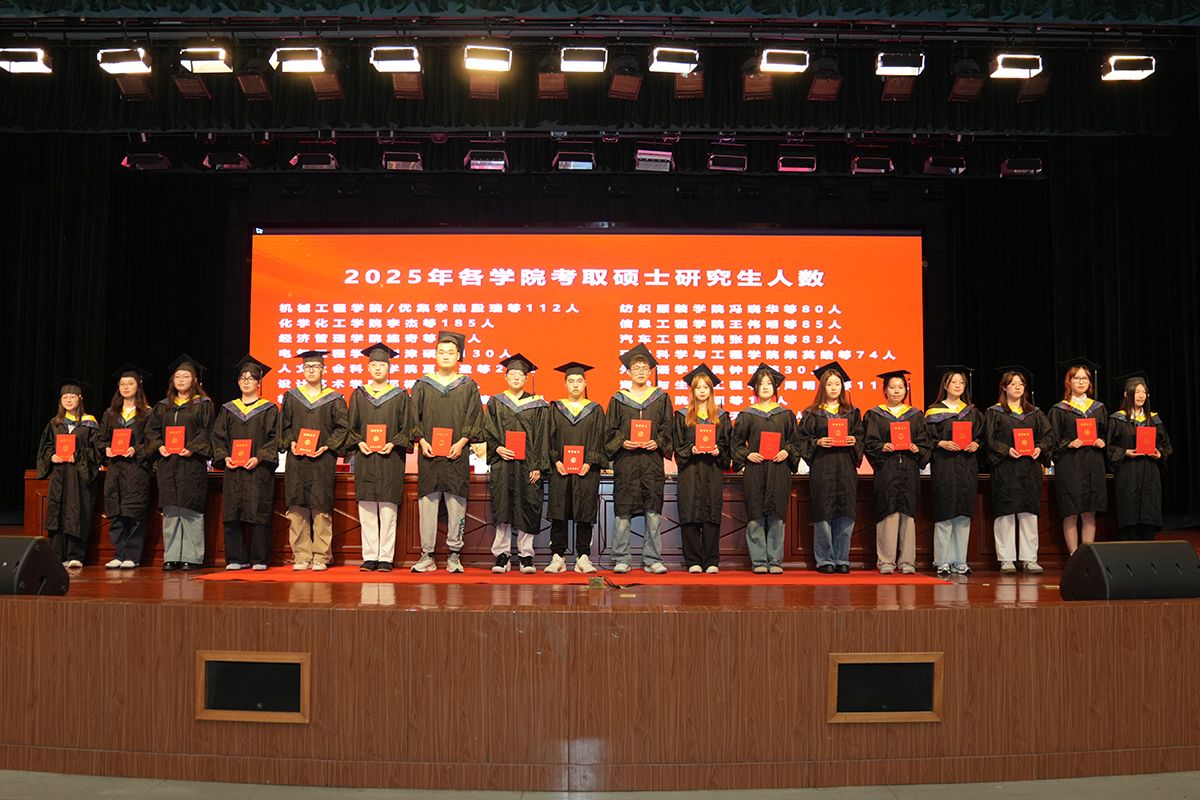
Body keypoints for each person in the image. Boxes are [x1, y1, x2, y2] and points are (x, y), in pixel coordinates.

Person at [407, 330, 484, 573]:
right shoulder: (423, 384)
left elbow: (474, 417)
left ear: (458, 355)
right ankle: (427, 555)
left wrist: (462, 442)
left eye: (450, 352)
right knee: (427, 504)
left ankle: (454, 555)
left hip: (456, 455)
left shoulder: (468, 386)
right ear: (436, 355)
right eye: (441, 352)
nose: (446, 356)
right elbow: (413, 417)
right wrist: (421, 440)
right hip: (429, 456)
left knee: (456, 504)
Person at [604, 344, 674, 574]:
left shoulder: (661, 398)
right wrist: (622, 442)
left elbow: (668, 428)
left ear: (650, 371)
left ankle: (652, 559)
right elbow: (609, 431)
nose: (641, 371)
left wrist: (659, 442)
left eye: (645, 367)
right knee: (623, 512)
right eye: (636, 367)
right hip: (626, 462)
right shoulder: (618, 399)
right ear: (629, 371)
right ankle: (621, 558)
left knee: (653, 513)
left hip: (651, 463)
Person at [280, 350, 349, 572]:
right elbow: (284, 426)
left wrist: (327, 446)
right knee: (297, 507)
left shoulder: (334, 398)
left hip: (322, 460)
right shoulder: (292, 397)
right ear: (302, 370)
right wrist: (291, 442)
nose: (311, 370)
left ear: (323, 370)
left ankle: (321, 556)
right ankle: (301, 555)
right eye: (307, 367)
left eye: (315, 367)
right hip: (297, 460)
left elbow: (342, 428)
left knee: (321, 508)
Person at [983, 365, 1054, 574]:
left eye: (1021, 384)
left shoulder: (1035, 413)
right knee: (1005, 514)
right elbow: (989, 439)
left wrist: (1039, 448)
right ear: (1004, 387)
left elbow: (1048, 436)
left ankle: (1029, 558)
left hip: (1029, 469)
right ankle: (1006, 559)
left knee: (1028, 514)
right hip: (1005, 469)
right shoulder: (994, 412)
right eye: (1013, 383)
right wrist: (1006, 450)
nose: (1017, 387)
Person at [146, 355, 214, 571]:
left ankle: (192, 557)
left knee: (190, 508)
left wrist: (192, 447)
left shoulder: (203, 405)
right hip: (168, 464)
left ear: (194, 380)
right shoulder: (162, 406)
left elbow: (207, 431)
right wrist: (159, 446)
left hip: (191, 464)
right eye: (178, 377)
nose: (181, 380)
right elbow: (151, 431)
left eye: (186, 376)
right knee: (171, 510)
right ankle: (172, 555)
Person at [346, 343, 410, 573]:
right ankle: (370, 556)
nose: (377, 368)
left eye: (382, 364)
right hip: (365, 458)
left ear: (389, 367)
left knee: (388, 509)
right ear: (368, 367)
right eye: (373, 364)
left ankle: (385, 557)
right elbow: (351, 426)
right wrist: (359, 443)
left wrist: (393, 443)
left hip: (390, 459)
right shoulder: (359, 394)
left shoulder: (400, 395)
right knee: (367, 509)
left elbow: (407, 427)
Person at [732, 363, 800, 574]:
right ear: (755, 388)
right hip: (755, 469)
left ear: (775, 387)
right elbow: (735, 444)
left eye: (769, 383)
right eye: (761, 384)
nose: (765, 387)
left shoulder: (785, 414)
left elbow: (795, 442)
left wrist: (787, 451)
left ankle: (775, 560)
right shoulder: (747, 414)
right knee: (755, 515)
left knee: (777, 515)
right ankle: (759, 561)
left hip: (779, 469)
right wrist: (747, 454)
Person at [212, 355, 279, 571]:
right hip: (234, 470)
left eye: (251, 378)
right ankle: (236, 558)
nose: (246, 381)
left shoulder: (269, 409)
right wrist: (225, 457)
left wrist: (259, 457)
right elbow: (218, 437)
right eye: (242, 378)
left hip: (258, 470)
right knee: (233, 511)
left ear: (259, 383)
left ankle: (260, 558)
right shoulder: (228, 409)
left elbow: (274, 438)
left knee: (258, 511)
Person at [796, 361, 863, 574]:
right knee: (823, 512)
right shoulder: (812, 413)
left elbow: (861, 437)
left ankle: (842, 558)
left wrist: (854, 441)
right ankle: (824, 559)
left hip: (845, 467)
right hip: (822, 467)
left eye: (837, 384)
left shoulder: (852, 412)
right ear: (822, 387)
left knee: (845, 511)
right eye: (829, 384)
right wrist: (817, 442)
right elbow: (800, 440)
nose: (834, 388)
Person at [484, 354, 548, 574]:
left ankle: (525, 556)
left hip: (528, 465)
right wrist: (497, 448)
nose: (516, 377)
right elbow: (487, 431)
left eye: (520, 374)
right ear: (505, 377)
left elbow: (542, 436)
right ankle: (502, 555)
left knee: (527, 506)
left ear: (526, 378)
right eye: (512, 373)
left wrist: (538, 465)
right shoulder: (495, 402)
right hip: (503, 464)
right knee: (503, 507)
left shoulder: (538, 405)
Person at [863, 369, 932, 575]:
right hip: (887, 469)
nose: (896, 391)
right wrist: (882, 447)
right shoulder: (875, 415)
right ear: (885, 390)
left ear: (905, 390)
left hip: (909, 469)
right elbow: (869, 443)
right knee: (888, 513)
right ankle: (886, 560)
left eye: (900, 387)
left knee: (908, 515)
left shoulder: (916, 415)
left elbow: (925, 443)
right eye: (892, 387)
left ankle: (907, 561)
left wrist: (917, 448)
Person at [545, 362, 607, 574]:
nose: (575, 385)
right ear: (565, 384)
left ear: (585, 383)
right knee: (559, 511)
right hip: (560, 469)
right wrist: (556, 460)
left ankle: (583, 557)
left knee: (585, 512)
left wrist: (589, 462)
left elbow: (599, 437)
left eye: (579, 381)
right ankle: (558, 557)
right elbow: (549, 437)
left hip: (587, 470)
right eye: (571, 381)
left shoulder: (595, 409)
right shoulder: (555, 408)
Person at [924, 366, 983, 576]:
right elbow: (926, 439)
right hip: (944, 466)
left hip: (966, 466)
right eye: (954, 382)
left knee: (963, 514)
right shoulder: (933, 412)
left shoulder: (972, 412)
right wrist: (940, 443)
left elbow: (981, 436)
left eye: (961, 382)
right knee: (944, 513)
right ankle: (942, 561)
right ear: (945, 385)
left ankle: (960, 561)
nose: (958, 386)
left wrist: (976, 443)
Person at [673, 364, 731, 574]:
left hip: (712, 472)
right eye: (698, 387)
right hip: (690, 472)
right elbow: (677, 446)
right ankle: (693, 561)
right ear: (692, 390)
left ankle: (711, 560)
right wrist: (691, 449)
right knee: (689, 515)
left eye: (706, 387)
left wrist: (718, 451)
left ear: (711, 390)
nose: (702, 391)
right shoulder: (682, 416)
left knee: (711, 515)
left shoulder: (721, 417)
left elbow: (727, 446)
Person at [35, 379, 99, 569]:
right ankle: (56, 555)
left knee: (77, 511)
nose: (69, 400)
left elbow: (97, 451)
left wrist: (77, 455)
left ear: (80, 398)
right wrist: (51, 456)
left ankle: (75, 555)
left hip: (79, 476)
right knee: (57, 512)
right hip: (59, 475)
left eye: (72, 397)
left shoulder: (89, 423)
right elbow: (46, 446)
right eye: (65, 397)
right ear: (60, 400)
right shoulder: (55, 423)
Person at [1048, 358, 1108, 555]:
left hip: (1093, 463)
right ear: (1069, 382)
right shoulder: (1059, 409)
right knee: (1071, 511)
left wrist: (1102, 441)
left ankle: (1086, 555)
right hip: (1070, 464)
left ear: (1089, 383)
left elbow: (1106, 433)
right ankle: (1074, 556)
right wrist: (1069, 443)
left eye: (1085, 378)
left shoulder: (1098, 408)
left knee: (1089, 511)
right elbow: (1052, 439)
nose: (1081, 382)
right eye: (1077, 378)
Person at [96, 364, 154, 569]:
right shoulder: (110, 414)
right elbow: (100, 439)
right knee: (116, 512)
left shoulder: (147, 413)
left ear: (138, 387)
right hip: (115, 469)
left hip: (136, 470)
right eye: (122, 384)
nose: (126, 387)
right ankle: (119, 554)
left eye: (130, 384)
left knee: (134, 513)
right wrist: (106, 450)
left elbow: (152, 441)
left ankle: (132, 555)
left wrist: (135, 450)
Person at [1107, 372, 1173, 541]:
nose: (1141, 395)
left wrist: (1159, 453)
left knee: (1148, 515)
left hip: (1150, 473)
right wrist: (1125, 452)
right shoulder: (1118, 419)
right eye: (1136, 391)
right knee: (1128, 514)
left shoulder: (1154, 419)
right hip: (1128, 474)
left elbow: (1166, 445)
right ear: (1126, 394)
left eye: (1144, 392)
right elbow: (1109, 448)